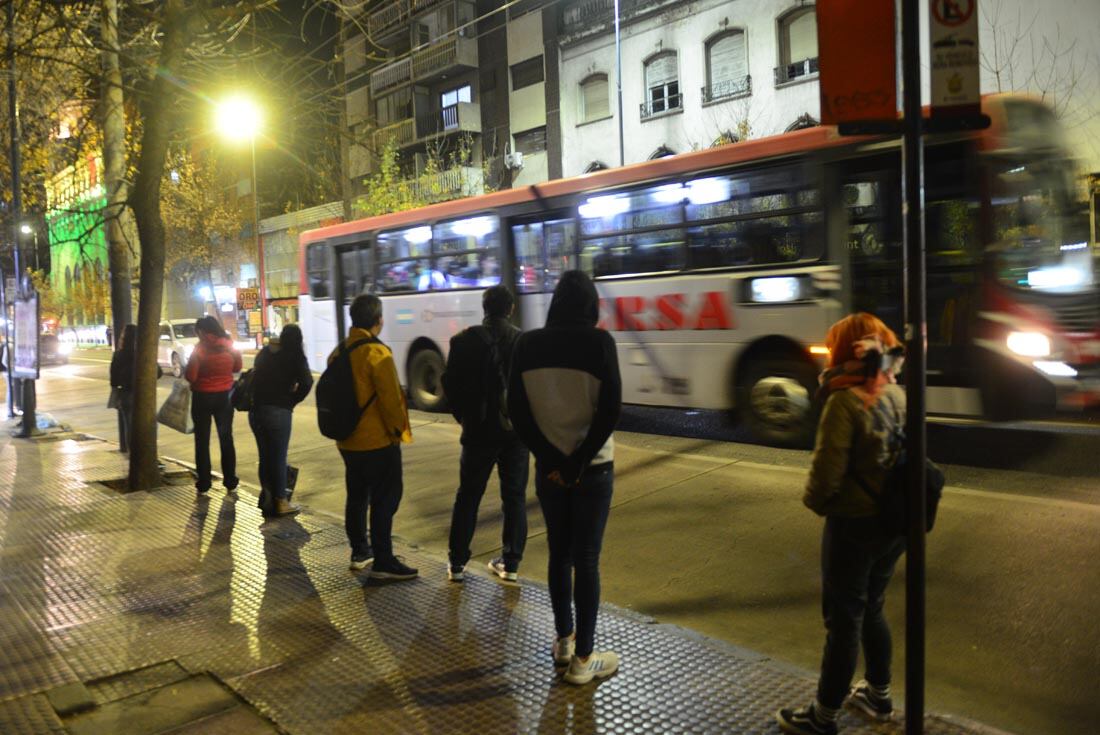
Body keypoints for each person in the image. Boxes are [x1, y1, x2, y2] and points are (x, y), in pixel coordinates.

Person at [776, 313, 907, 735]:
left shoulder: (843, 401)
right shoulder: (896, 394)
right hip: (894, 522)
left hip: (854, 525)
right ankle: (879, 695)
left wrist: (815, 502)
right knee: (873, 606)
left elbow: (826, 475)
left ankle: (824, 715)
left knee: (844, 619)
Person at [508, 270, 622, 686]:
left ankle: (564, 641)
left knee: (560, 554)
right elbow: (610, 410)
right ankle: (584, 660)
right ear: (591, 305)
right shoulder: (600, 343)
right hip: (593, 471)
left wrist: (552, 459)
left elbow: (517, 412)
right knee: (587, 558)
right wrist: (579, 459)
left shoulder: (527, 344)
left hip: (550, 472)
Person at [442, 286, 529, 583]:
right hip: (515, 433)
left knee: (468, 496)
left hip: (478, 432)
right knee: (514, 497)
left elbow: (450, 385)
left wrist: (464, 418)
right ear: (511, 309)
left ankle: (457, 564)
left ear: (484, 308)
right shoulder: (522, 341)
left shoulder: (463, 341)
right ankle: (511, 563)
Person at [332, 294, 417, 580]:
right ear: (378, 320)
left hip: (347, 441)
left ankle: (360, 551)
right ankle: (384, 560)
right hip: (377, 442)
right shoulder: (377, 354)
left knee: (356, 496)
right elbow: (392, 401)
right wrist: (398, 433)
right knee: (385, 499)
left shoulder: (339, 351)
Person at [249, 324, 313, 518]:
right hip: (278, 411)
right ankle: (281, 501)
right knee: (278, 457)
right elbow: (307, 382)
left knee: (265, 456)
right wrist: (292, 400)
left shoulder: (266, 352)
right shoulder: (295, 355)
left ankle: (267, 497)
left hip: (256, 411)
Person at [185, 315, 242, 495]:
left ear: (201, 331)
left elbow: (191, 376)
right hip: (225, 397)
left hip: (202, 397)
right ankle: (230, 480)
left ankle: (204, 482)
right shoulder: (229, 345)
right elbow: (237, 367)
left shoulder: (199, 349)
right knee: (226, 439)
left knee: (202, 441)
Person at [109, 324, 138, 452]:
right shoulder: (143, 353)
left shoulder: (119, 355)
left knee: (130, 426)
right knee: (147, 426)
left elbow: (113, 380)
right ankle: (148, 454)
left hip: (126, 394)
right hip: (144, 395)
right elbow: (158, 372)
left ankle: (133, 455)